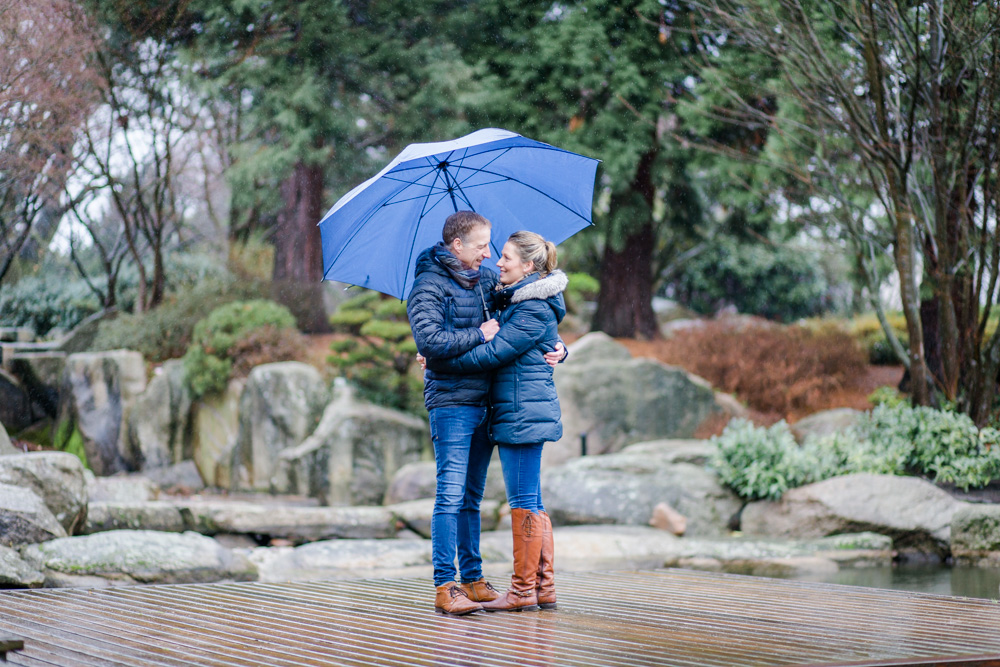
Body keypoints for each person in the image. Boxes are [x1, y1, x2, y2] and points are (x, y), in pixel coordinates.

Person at [406, 212, 564, 616]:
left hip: (486, 404)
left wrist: (560, 346)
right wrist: (471, 337)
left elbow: (527, 311)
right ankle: (446, 584)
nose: (490, 255)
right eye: (482, 246)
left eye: (496, 249)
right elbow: (431, 338)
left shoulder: (485, 284)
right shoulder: (427, 284)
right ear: (457, 245)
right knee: (451, 494)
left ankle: (476, 579)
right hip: (451, 403)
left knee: (471, 499)